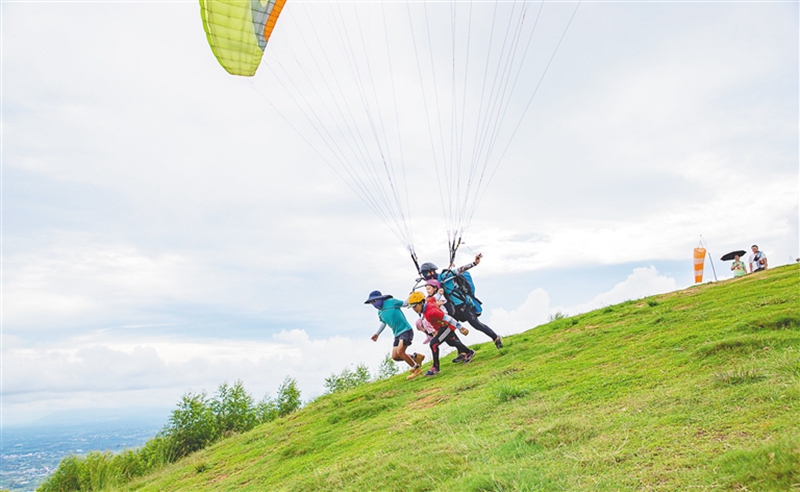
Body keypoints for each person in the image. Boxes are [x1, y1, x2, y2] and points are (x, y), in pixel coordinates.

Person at [419, 254, 503, 349]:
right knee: (449, 330)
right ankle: (463, 352)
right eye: (424, 274)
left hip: (462, 306)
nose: (426, 276)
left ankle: (495, 338)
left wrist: (474, 263)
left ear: (431, 272)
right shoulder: (431, 284)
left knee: (476, 324)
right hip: (451, 310)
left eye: (426, 274)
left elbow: (460, 270)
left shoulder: (444, 276)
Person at [407, 291, 474, 377]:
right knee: (451, 342)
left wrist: (460, 327)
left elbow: (448, 318)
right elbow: (436, 296)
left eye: (415, 306)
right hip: (441, 327)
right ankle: (469, 352)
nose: (414, 309)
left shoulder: (431, 311)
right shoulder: (428, 300)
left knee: (433, 344)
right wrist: (440, 291)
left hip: (447, 327)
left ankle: (435, 367)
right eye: (412, 307)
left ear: (422, 302)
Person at [365, 290, 425, 379]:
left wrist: (410, 297)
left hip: (405, 330)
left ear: (380, 299)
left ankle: (416, 369)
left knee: (400, 351)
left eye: (375, 301)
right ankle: (416, 357)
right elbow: (383, 322)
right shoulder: (380, 312)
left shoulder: (391, 302)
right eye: (372, 302)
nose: (374, 304)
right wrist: (377, 334)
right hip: (397, 334)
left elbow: (404, 304)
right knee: (395, 356)